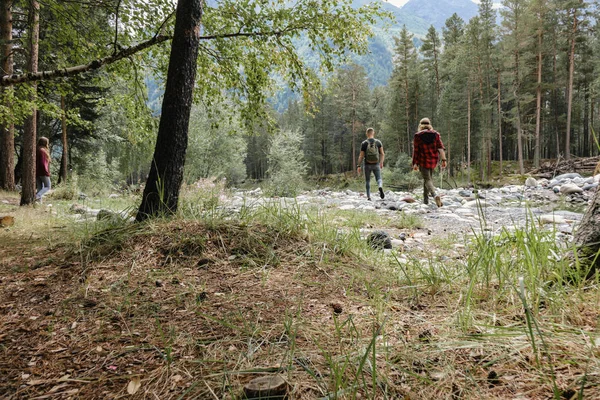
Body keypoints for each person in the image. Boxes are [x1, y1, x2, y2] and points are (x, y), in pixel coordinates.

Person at [412, 118, 446, 207]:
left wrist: (415, 163)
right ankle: (425, 200)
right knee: (427, 178)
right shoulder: (436, 134)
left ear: (420, 125)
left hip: (423, 160)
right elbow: (440, 148)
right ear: (429, 125)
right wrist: (444, 160)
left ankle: (434, 195)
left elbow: (416, 151)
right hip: (433, 160)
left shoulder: (417, 136)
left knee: (427, 179)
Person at [357, 128, 385, 201]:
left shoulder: (364, 143)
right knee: (379, 178)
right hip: (376, 164)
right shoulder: (378, 142)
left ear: (367, 134)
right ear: (373, 133)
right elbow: (382, 154)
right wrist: (381, 162)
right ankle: (380, 187)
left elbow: (361, 156)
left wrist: (358, 165)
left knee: (367, 181)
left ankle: (369, 197)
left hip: (367, 164)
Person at [36, 137, 51, 201]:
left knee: (40, 188)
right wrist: (46, 172)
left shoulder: (37, 149)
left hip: (36, 172)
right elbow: (43, 163)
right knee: (48, 187)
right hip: (42, 171)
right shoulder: (42, 151)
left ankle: (38, 203)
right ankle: (37, 196)